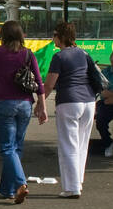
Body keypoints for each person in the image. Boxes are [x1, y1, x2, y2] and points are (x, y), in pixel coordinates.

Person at [0, 20, 48, 203]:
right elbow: (38, 81)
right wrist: (42, 106)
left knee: (7, 147)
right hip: (25, 105)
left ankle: (21, 184)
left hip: (4, 104)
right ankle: (8, 189)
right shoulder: (28, 54)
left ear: (3, 35)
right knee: (16, 147)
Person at [42, 21, 99, 198]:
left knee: (68, 145)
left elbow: (50, 84)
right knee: (82, 144)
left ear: (60, 37)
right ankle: (78, 181)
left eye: (54, 36)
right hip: (89, 101)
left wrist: (40, 102)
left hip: (68, 101)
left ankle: (72, 187)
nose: (53, 40)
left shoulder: (59, 57)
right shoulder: (83, 53)